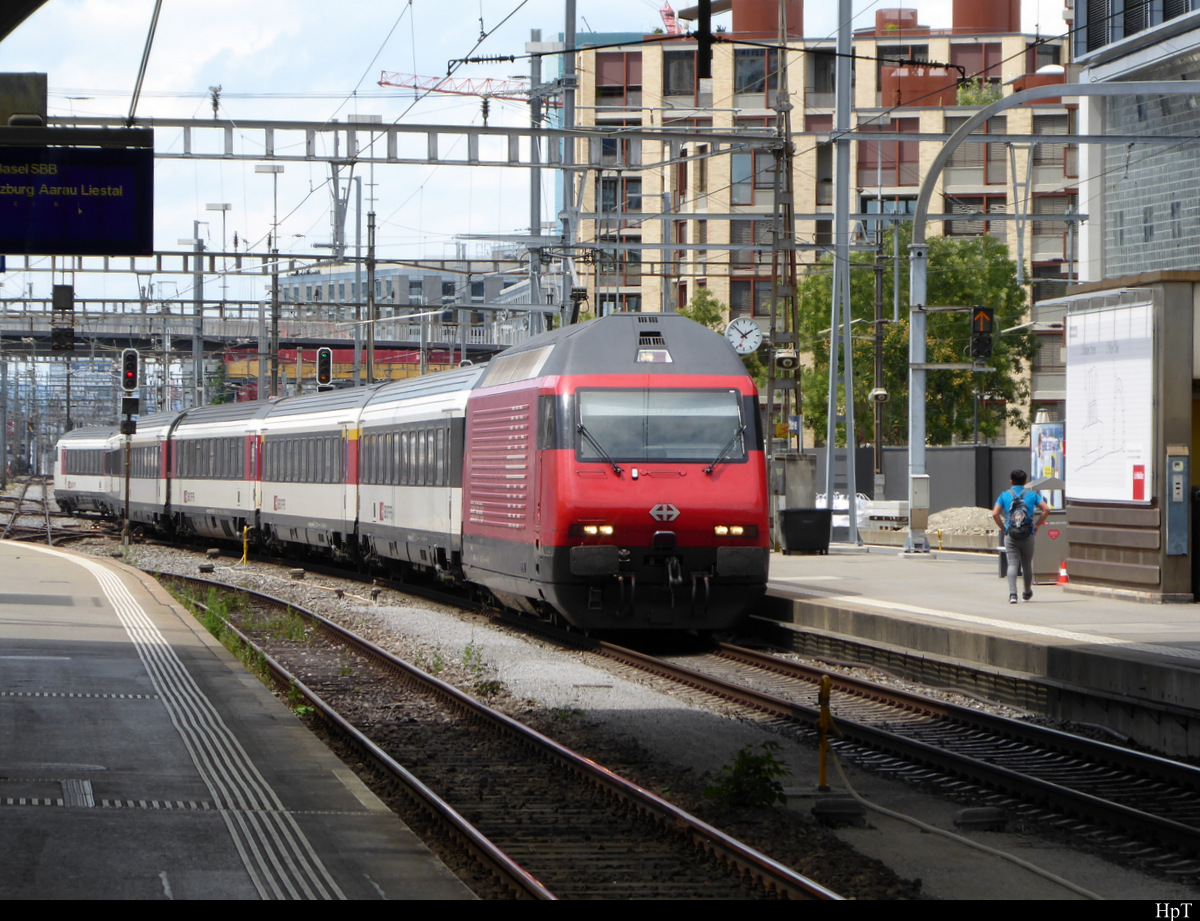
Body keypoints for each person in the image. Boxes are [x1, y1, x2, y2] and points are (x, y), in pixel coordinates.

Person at [992, 469, 1050, 604]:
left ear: (1011, 481)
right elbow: (1046, 509)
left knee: (1012, 563)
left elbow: (995, 514)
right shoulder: (1032, 495)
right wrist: (1037, 525)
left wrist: (1003, 528)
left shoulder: (1004, 495)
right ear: (1025, 482)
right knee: (1027, 565)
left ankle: (1013, 595)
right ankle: (1027, 592)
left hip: (1011, 534)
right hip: (1027, 533)